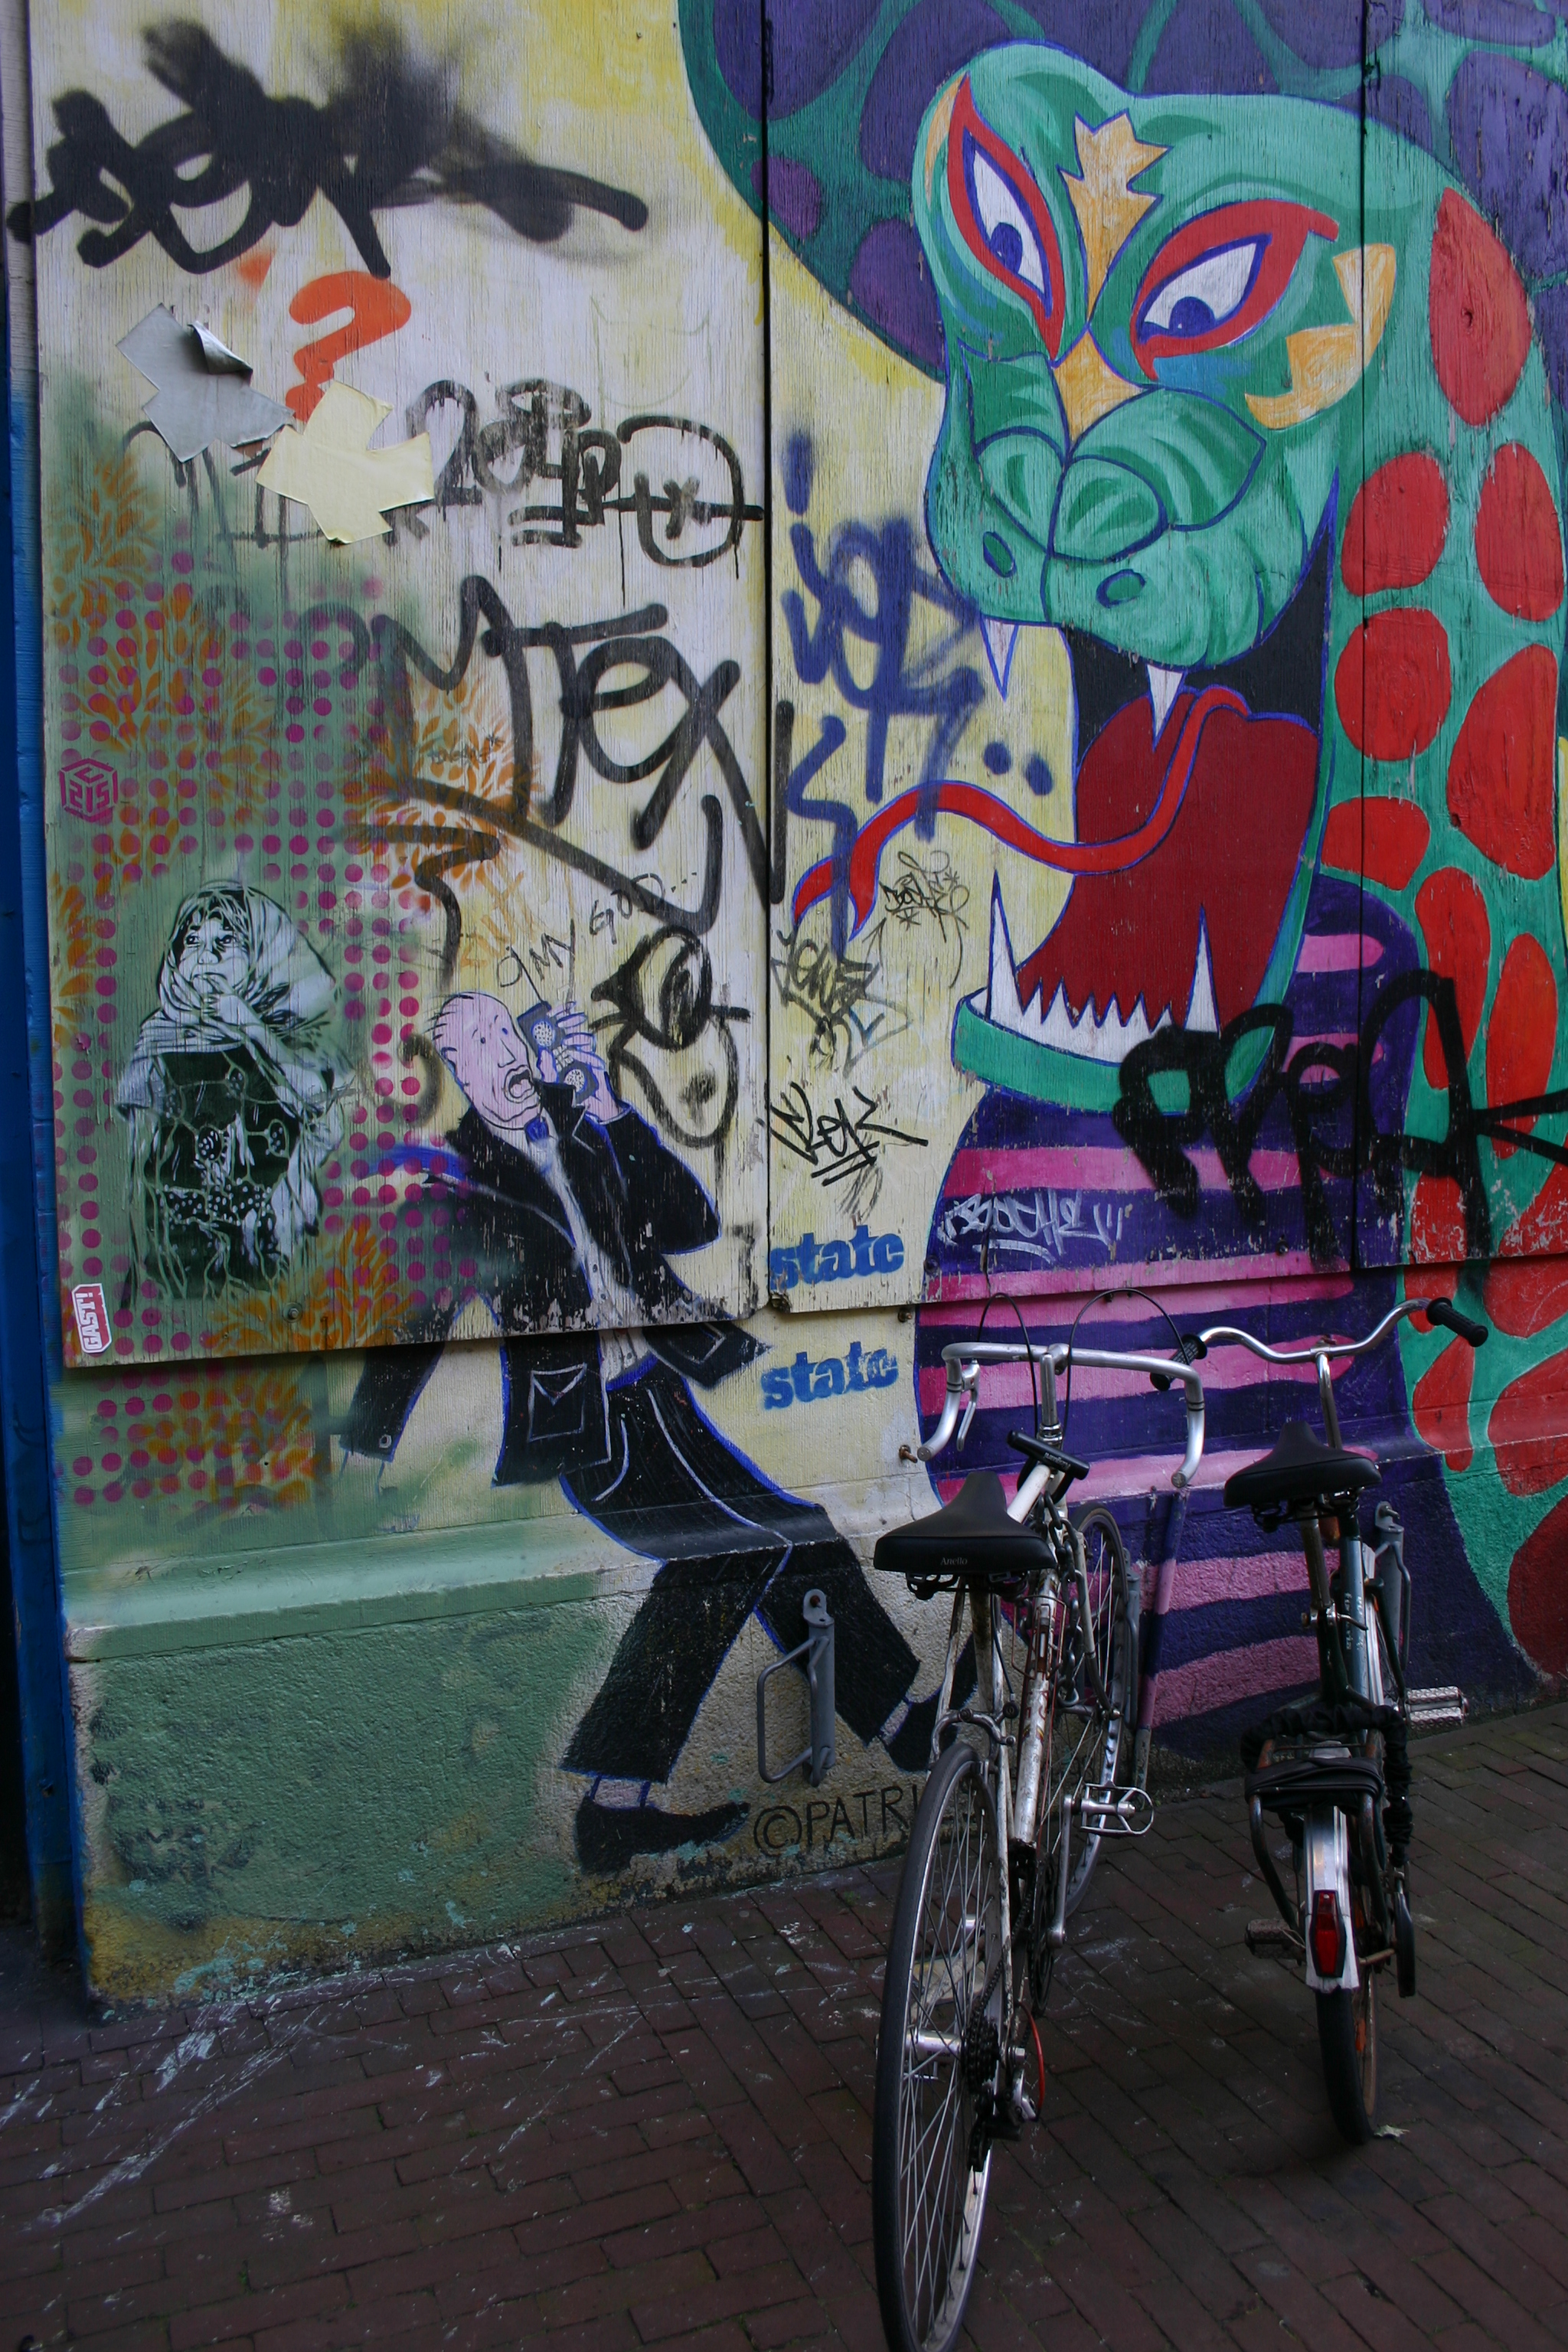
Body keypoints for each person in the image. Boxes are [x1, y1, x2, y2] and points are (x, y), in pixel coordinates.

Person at [341, 990, 926, 1869]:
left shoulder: (581, 1127)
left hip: (662, 1389)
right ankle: (614, 1805)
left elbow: (690, 1223)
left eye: (504, 1031)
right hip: (590, 1428)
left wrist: (613, 1111)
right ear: (457, 1071)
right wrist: (365, 1455)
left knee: (795, 1530)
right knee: (720, 1556)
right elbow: (411, 1326)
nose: (502, 1051)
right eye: (479, 1044)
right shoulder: (465, 1185)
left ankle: (894, 1721)